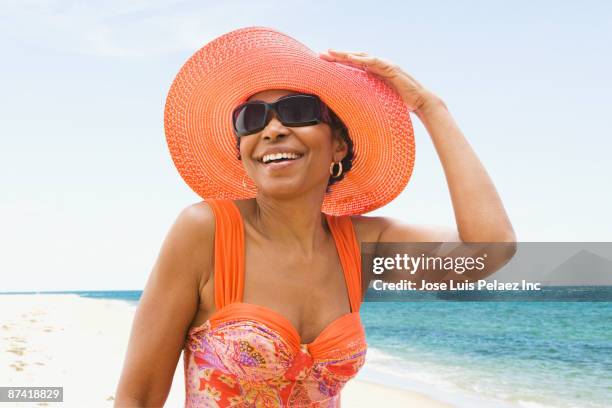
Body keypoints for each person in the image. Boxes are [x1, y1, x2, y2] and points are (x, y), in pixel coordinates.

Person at [114, 27, 515, 407]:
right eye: (252, 118)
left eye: (297, 111)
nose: (272, 129)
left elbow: (491, 251)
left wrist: (431, 108)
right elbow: (138, 398)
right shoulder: (207, 231)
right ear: (243, 149)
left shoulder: (360, 247)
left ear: (338, 145)